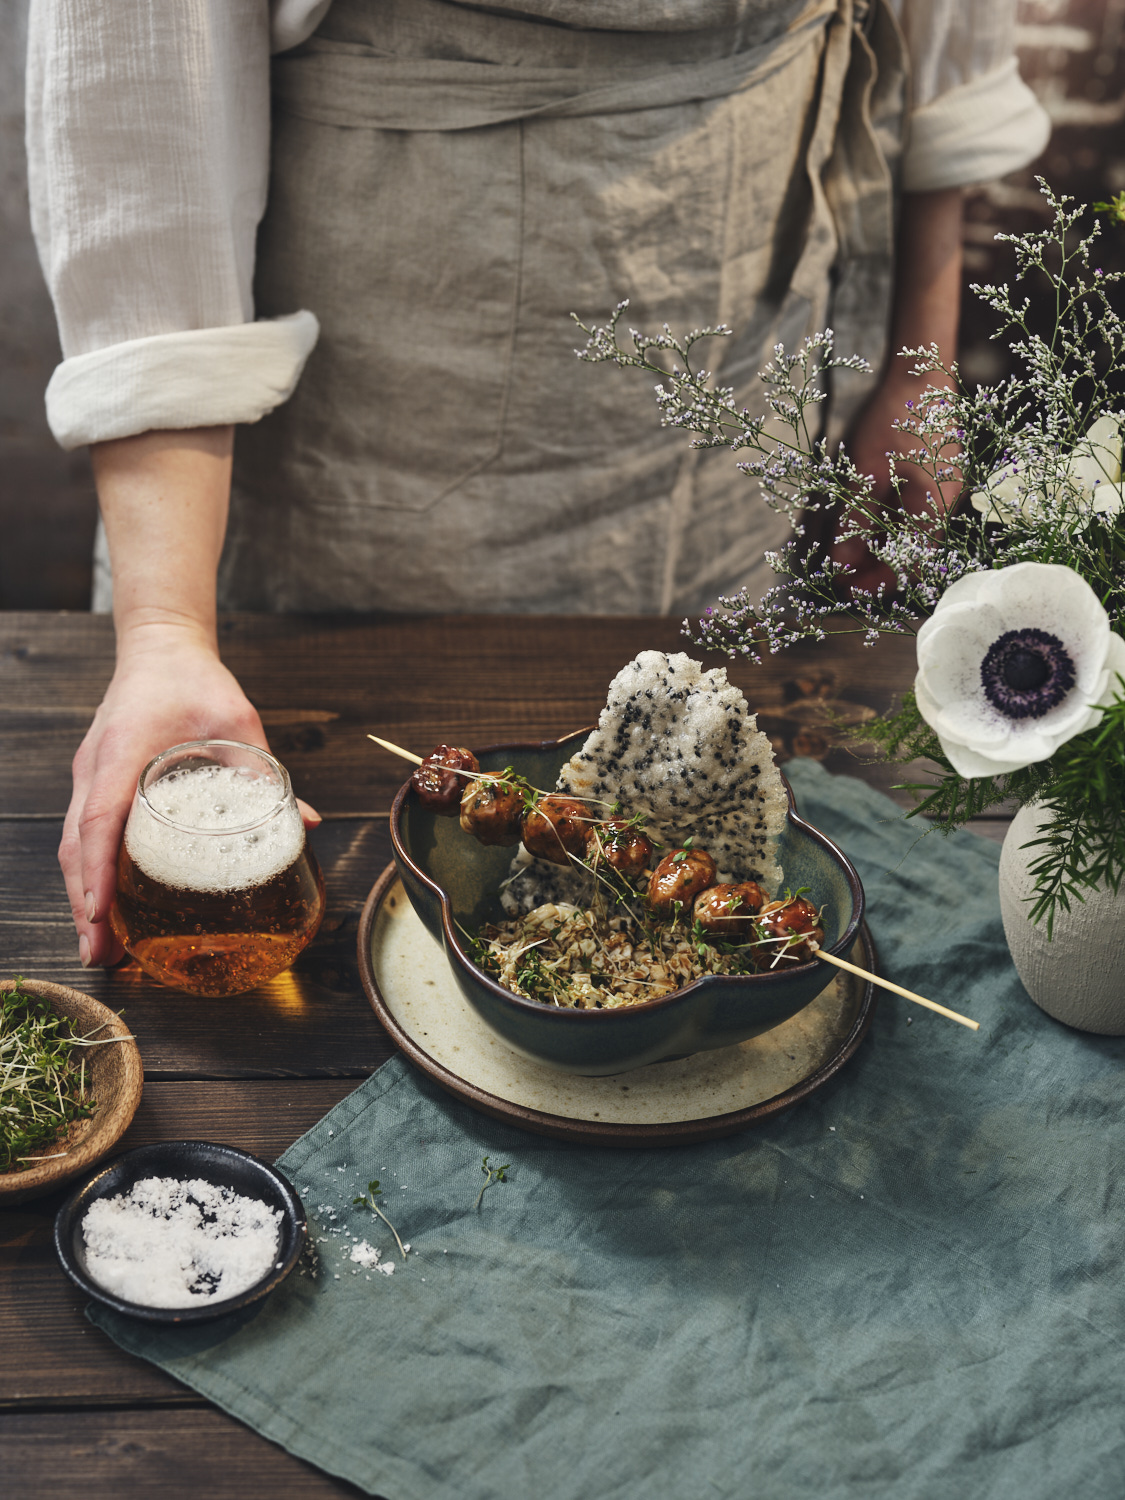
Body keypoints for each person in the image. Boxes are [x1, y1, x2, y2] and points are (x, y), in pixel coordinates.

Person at [25, 0, 1050, 968]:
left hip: (757, 300)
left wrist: (920, 363)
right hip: (395, 396)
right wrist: (167, 630)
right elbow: (142, 86)